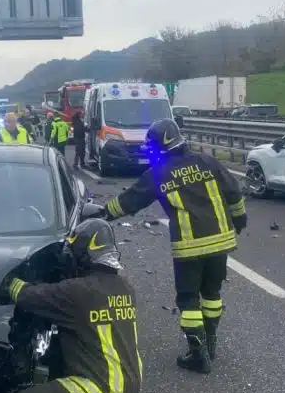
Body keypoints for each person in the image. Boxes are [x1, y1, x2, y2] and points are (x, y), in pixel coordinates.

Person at [1, 218, 145, 393]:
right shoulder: (125, 287)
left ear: (83, 254)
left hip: (100, 392)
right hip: (129, 390)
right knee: (67, 385)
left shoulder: (77, 292)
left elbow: (27, 296)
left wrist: (5, 278)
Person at [102, 119, 247, 374]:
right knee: (211, 294)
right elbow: (234, 193)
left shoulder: (158, 173)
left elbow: (130, 201)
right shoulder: (207, 162)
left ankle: (198, 354)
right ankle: (210, 344)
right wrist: (240, 220)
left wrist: (102, 215)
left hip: (189, 248)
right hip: (221, 242)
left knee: (188, 298)